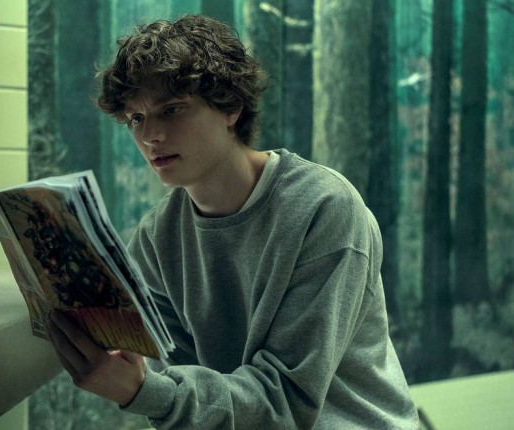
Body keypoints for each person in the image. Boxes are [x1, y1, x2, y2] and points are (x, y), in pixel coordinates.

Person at [47, 14, 420, 429]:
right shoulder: (155, 238)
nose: (149, 135)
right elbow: (178, 393)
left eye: (171, 110)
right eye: (136, 118)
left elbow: (286, 402)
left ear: (231, 108)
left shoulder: (324, 209)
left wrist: (142, 391)